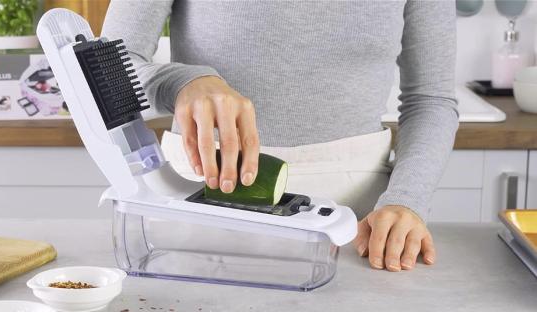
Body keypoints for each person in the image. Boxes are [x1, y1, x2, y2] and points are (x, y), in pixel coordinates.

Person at [101, 0, 459, 272]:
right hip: (196, 201)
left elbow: (431, 99)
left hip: (355, 227)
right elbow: (106, 70)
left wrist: (406, 199)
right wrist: (179, 84)